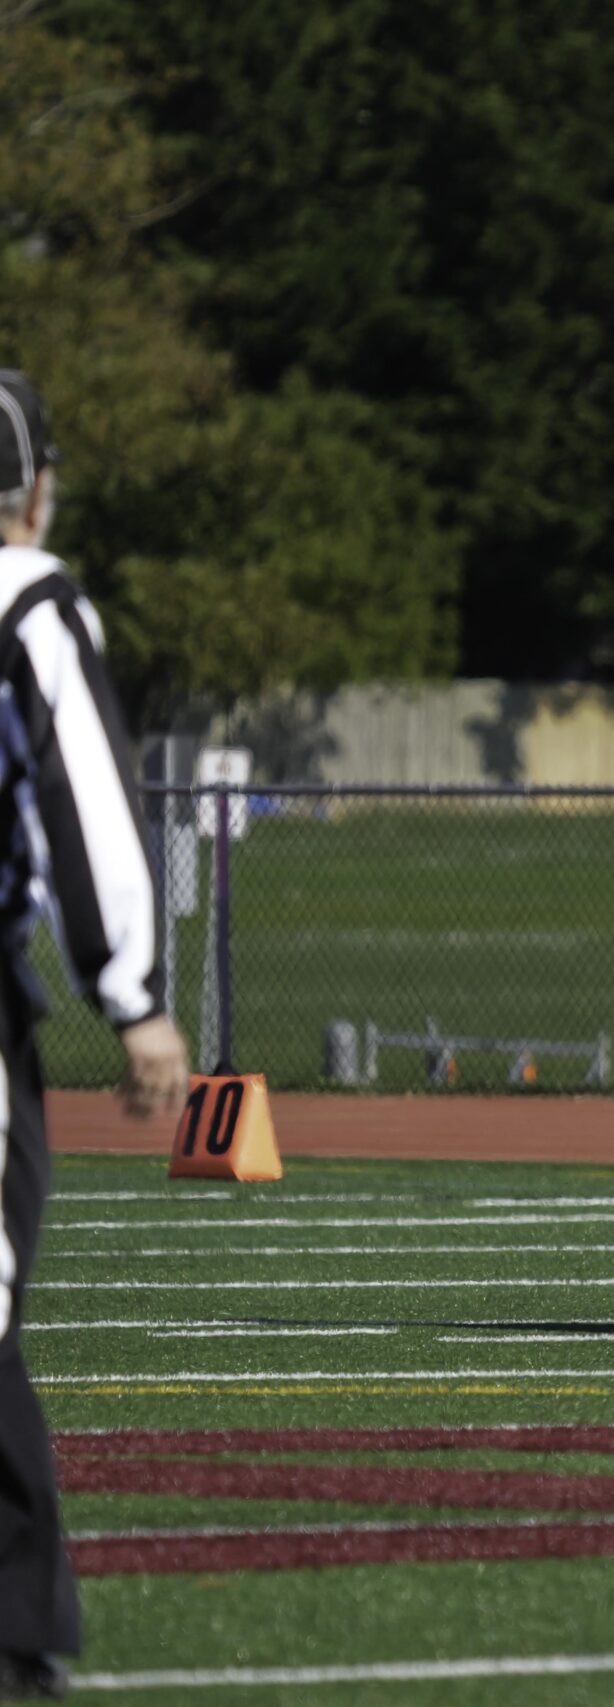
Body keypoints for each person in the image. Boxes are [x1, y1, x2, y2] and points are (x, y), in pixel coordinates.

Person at [0, 369, 192, 1696]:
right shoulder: (27, 595)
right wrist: (134, 990)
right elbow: (85, 784)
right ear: (37, 485)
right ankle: (14, 1626)